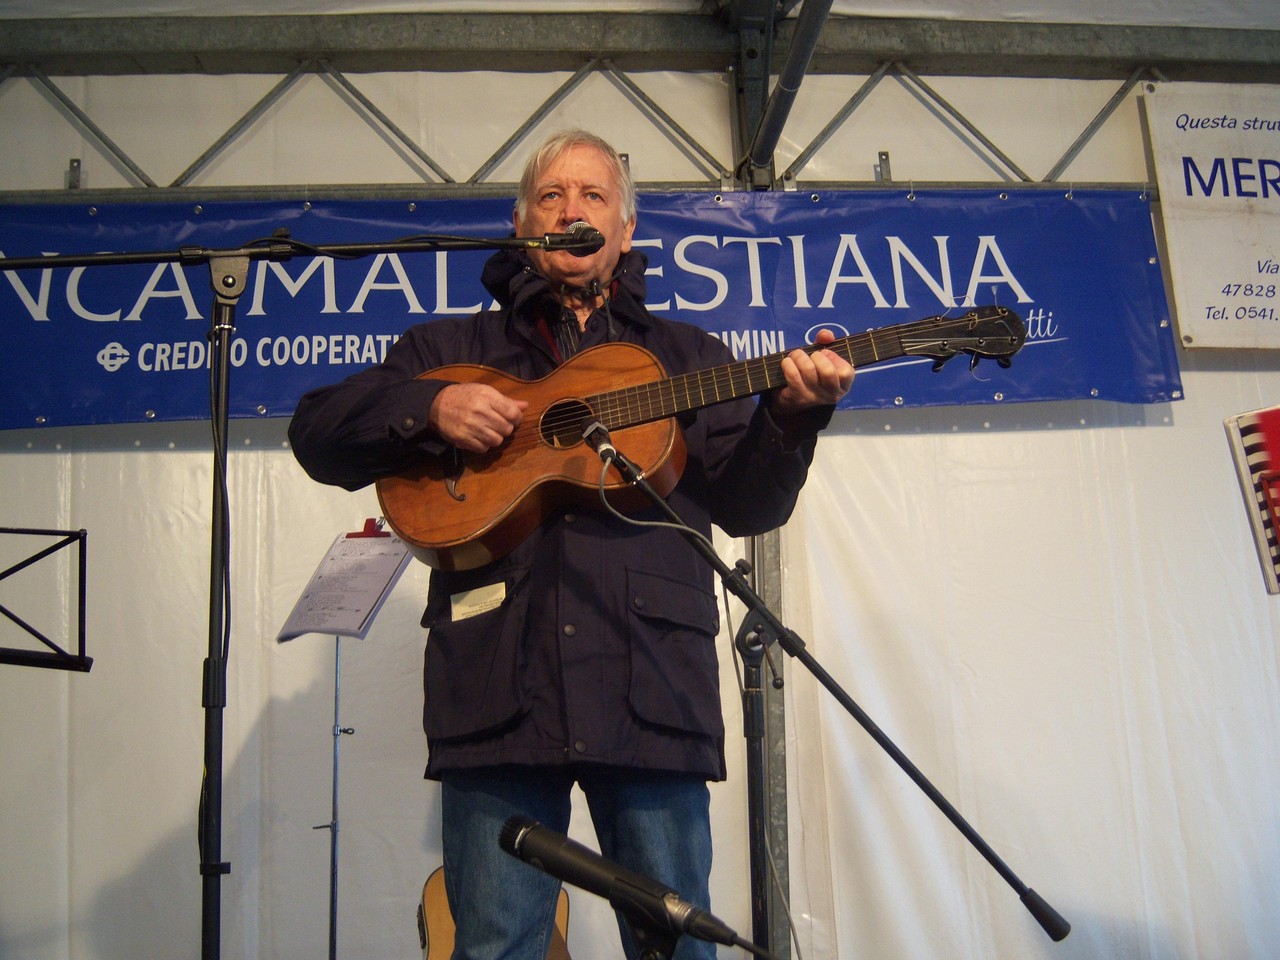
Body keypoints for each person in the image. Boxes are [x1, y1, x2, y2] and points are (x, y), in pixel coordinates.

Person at [288, 129, 854, 960]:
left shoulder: (687, 355)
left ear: (625, 231)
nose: (571, 210)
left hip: (651, 686)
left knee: (678, 944)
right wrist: (427, 409)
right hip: (496, 691)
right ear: (523, 222)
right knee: (497, 945)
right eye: (551, 196)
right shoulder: (447, 353)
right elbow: (315, 433)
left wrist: (794, 416)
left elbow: (750, 504)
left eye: (593, 197)